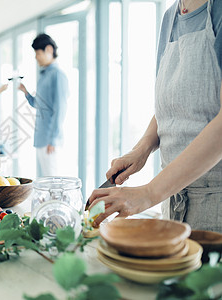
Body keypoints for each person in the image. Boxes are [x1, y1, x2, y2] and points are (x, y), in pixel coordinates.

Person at [88, 0, 222, 233]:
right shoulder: (170, 17)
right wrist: (141, 151)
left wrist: (148, 193)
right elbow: (174, 103)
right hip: (173, 198)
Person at [18, 33, 69, 177]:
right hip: (41, 138)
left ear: (49, 50)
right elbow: (39, 104)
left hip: (50, 140)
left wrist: (52, 139)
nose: (36, 57)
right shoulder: (44, 75)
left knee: (53, 180)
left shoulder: (58, 75)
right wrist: (26, 93)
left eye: (38, 53)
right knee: (47, 179)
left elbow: (60, 109)